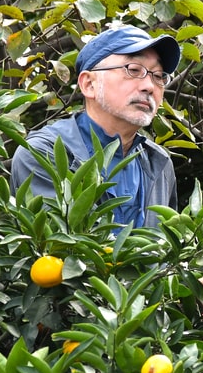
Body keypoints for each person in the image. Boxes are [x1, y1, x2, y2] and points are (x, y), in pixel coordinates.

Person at [11, 24, 181, 229]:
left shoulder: (159, 163)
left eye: (158, 76)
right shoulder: (44, 153)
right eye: (134, 70)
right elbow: (63, 248)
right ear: (89, 84)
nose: (149, 86)